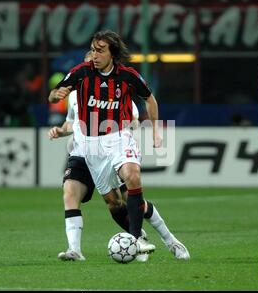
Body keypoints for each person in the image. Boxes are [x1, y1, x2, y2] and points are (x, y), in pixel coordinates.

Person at [49, 30, 190, 260]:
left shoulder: (127, 76)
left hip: (119, 138)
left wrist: (155, 130)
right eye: (93, 49)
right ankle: (157, 239)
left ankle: (141, 241)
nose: (94, 55)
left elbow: (150, 99)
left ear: (112, 53)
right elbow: (53, 96)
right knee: (114, 203)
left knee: (132, 176)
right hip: (90, 146)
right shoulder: (81, 73)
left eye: (100, 50)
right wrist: (57, 95)